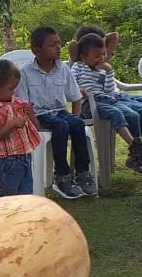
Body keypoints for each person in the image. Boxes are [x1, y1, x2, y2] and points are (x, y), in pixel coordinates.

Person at [16, 26, 96, 199]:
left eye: (59, 43)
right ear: (36, 50)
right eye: (52, 45)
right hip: (39, 115)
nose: (58, 48)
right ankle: (62, 176)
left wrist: (75, 117)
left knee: (77, 124)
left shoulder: (63, 69)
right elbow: (23, 106)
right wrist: (36, 126)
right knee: (61, 126)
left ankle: (83, 173)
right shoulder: (25, 73)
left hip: (60, 112)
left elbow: (76, 98)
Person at [71, 33, 142, 174]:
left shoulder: (103, 70)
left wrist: (109, 72)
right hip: (88, 104)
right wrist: (80, 90)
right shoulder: (78, 67)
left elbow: (109, 91)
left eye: (104, 54)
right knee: (115, 112)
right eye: (96, 56)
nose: (102, 59)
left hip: (107, 100)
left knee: (133, 115)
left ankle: (135, 155)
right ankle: (135, 145)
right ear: (83, 57)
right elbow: (70, 83)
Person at [0, 60, 41, 198]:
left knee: (26, 194)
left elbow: (36, 126)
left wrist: (29, 113)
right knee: (8, 196)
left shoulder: (14, 102)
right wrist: (12, 124)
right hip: (8, 160)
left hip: (24, 155)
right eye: (11, 89)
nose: (13, 93)